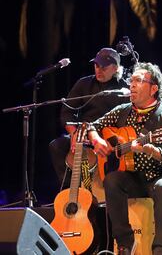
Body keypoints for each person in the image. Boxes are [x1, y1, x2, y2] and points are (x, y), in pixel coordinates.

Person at [87, 62, 162, 255]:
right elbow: (92, 126)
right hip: (134, 177)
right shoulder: (122, 111)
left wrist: (152, 151)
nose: (132, 85)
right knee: (112, 179)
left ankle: (161, 249)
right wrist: (96, 139)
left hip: (161, 176)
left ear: (153, 89)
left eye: (139, 81)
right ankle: (125, 245)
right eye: (131, 80)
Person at [49, 47, 129, 189]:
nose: (99, 69)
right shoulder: (84, 83)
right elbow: (67, 112)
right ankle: (69, 191)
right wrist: (73, 133)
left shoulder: (124, 90)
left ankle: (103, 195)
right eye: (96, 65)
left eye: (104, 67)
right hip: (83, 134)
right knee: (57, 146)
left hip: (108, 137)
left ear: (115, 68)